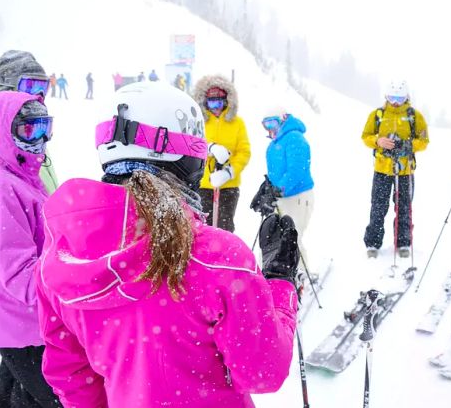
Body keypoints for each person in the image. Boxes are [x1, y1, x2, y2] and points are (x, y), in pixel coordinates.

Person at [35, 82, 299, 407]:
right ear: (187, 159)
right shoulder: (216, 258)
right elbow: (263, 372)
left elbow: (72, 377)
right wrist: (279, 284)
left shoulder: (61, 257)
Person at [0, 91, 61, 407]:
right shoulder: (4, 188)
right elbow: (18, 275)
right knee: (58, 398)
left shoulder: (23, 177)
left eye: (43, 128)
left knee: (16, 397)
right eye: (28, 130)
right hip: (25, 328)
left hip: (22, 326)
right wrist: (71, 282)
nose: (39, 139)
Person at [362, 79, 429, 258]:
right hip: (382, 169)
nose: (395, 102)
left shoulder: (414, 116)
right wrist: (378, 141)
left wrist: (408, 145)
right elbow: (365, 136)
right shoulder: (378, 114)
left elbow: (424, 141)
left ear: (406, 97)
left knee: (404, 207)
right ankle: (373, 243)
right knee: (378, 205)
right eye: (392, 98)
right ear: (386, 96)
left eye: (399, 99)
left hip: (405, 170)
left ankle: (403, 242)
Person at [251, 106, 315, 273]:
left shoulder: (295, 138)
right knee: (276, 238)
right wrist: (267, 188)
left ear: (284, 119)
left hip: (298, 197)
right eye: (266, 125)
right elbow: (275, 173)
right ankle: (279, 273)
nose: (270, 129)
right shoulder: (274, 144)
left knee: (293, 237)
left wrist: (279, 189)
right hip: (282, 198)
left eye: (272, 123)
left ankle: (300, 274)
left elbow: (297, 170)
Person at [193, 75, 251, 233]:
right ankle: (205, 257)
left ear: (226, 101)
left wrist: (229, 172)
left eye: (219, 102)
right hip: (203, 184)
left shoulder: (237, 123)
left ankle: (224, 257)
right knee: (204, 227)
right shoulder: (200, 122)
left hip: (228, 186)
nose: (215, 107)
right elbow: (192, 143)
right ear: (205, 102)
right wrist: (210, 147)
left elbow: (244, 152)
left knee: (225, 226)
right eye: (211, 102)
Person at [0, 50, 59, 193]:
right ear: (6, 88)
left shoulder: (30, 137)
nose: (39, 94)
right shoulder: (7, 144)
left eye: (43, 87)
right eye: (30, 85)